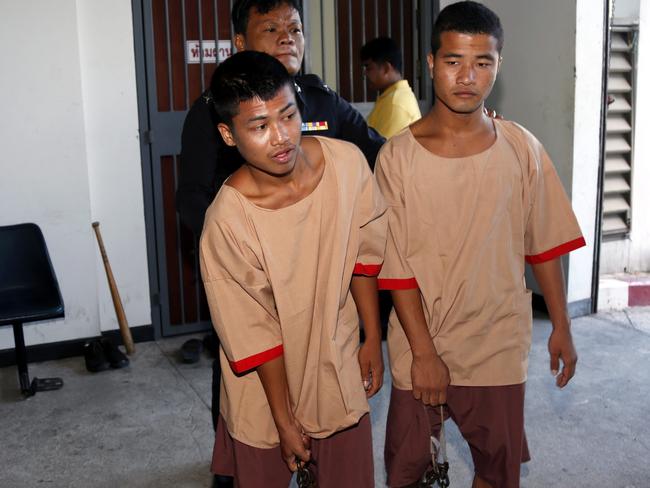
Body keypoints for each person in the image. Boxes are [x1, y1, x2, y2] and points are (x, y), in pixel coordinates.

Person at [374, 2, 586, 487]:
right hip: (420, 345)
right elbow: (397, 266)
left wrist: (561, 325)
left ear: (498, 66)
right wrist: (424, 354)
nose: (467, 76)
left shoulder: (522, 148)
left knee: (497, 468)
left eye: (482, 62)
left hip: (497, 342)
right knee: (408, 471)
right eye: (453, 61)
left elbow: (545, 242)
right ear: (431, 64)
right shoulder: (397, 159)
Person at [174, 2, 384, 484]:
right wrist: (229, 251)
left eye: (294, 28)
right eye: (271, 29)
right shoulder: (213, 122)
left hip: (329, 335)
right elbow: (251, 332)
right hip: (254, 299)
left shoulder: (330, 122)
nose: (280, 137)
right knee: (253, 427)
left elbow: (367, 240)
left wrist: (372, 337)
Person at [361, 37, 421, 139]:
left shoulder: (396, 104)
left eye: (368, 67)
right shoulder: (391, 97)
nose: (365, 73)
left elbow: (380, 151)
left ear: (386, 68)